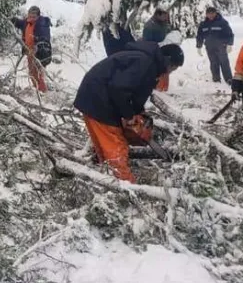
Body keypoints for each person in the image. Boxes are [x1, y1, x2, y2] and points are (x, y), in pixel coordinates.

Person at [73, 41, 185, 182]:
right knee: (117, 149)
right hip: (99, 101)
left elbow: (134, 93)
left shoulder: (146, 61)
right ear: (167, 60)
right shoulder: (144, 62)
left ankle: (105, 180)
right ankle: (124, 186)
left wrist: (137, 113)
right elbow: (118, 89)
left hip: (94, 98)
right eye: (172, 68)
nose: (170, 72)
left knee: (104, 150)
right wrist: (128, 115)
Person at [12, 6, 51, 93]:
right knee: (32, 73)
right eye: (30, 15)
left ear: (38, 16)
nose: (32, 18)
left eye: (34, 16)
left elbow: (44, 37)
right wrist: (13, 20)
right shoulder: (26, 22)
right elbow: (19, 23)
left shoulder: (41, 24)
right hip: (29, 51)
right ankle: (39, 89)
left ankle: (42, 91)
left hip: (38, 52)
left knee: (37, 73)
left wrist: (37, 41)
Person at [195, 7, 235, 84]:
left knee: (224, 62)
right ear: (206, 14)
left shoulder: (222, 22)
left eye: (212, 13)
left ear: (215, 13)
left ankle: (228, 79)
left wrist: (229, 44)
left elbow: (230, 34)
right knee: (213, 63)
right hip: (210, 47)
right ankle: (216, 79)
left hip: (221, 46)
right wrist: (199, 46)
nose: (211, 15)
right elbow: (200, 36)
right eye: (209, 13)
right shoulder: (203, 24)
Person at [142, 9, 173, 91]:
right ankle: (157, 88)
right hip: (154, 51)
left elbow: (168, 32)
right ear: (158, 15)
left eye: (167, 16)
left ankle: (164, 88)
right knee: (156, 70)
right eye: (165, 16)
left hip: (165, 50)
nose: (167, 17)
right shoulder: (149, 26)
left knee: (165, 67)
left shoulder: (164, 23)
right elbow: (147, 42)